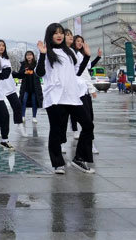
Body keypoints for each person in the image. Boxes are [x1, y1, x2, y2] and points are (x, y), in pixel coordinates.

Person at [35, 23, 94, 174]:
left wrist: (87, 57)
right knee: (56, 130)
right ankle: (57, 163)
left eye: (61, 32)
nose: (59, 35)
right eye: (56, 33)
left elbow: (78, 72)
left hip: (72, 96)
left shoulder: (69, 53)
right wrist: (42, 54)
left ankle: (79, 158)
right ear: (50, 35)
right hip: (55, 97)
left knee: (88, 125)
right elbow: (40, 73)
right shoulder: (47, 52)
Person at [0, 40, 25, 137]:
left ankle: (19, 125)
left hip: (9, 86)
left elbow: (10, 72)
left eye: (3, 45)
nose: (1, 47)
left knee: (17, 105)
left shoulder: (6, 58)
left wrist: (19, 74)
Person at [13, 51, 43, 125]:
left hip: (34, 86)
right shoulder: (23, 64)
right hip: (25, 86)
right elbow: (20, 74)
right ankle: (22, 116)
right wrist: (24, 71)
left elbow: (40, 73)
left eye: (30, 55)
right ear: (25, 57)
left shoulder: (36, 64)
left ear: (33, 56)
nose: (29, 56)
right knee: (23, 101)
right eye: (27, 55)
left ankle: (34, 117)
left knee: (34, 102)